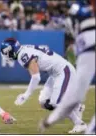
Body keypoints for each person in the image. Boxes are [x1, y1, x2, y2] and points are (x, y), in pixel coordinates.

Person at [0, 38, 87, 133]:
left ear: (11, 50)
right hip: (54, 74)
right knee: (43, 101)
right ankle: (77, 107)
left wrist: (26, 95)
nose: (6, 56)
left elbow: (36, 77)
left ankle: (79, 124)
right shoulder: (23, 49)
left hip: (63, 71)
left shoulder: (23, 55)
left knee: (55, 102)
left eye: (6, 53)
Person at [39, 3, 95, 134]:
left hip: (66, 70)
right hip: (60, 72)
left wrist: (50, 121)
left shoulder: (87, 37)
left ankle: (79, 120)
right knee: (45, 100)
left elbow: (75, 95)